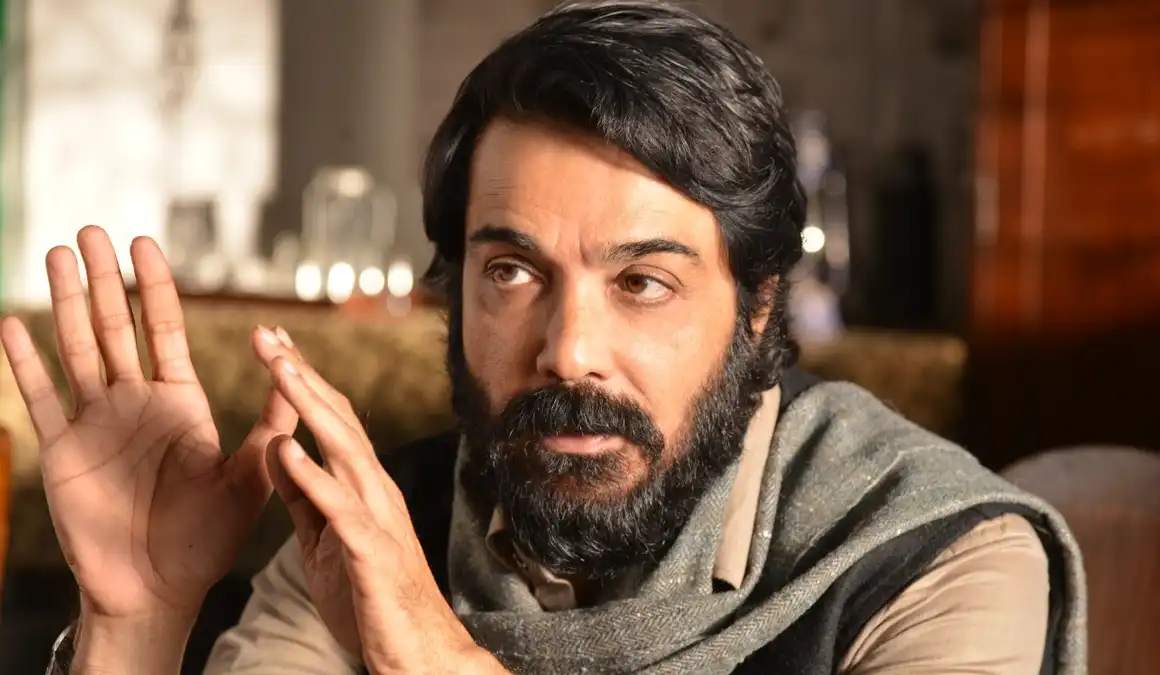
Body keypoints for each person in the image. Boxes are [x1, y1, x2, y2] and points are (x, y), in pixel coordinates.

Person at [2, 2, 1084, 674]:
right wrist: (137, 623)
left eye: (643, 282)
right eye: (513, 272)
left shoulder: (931, 555)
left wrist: (432, 656)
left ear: (757, 307)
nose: (568, 350)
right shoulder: (373, 535)